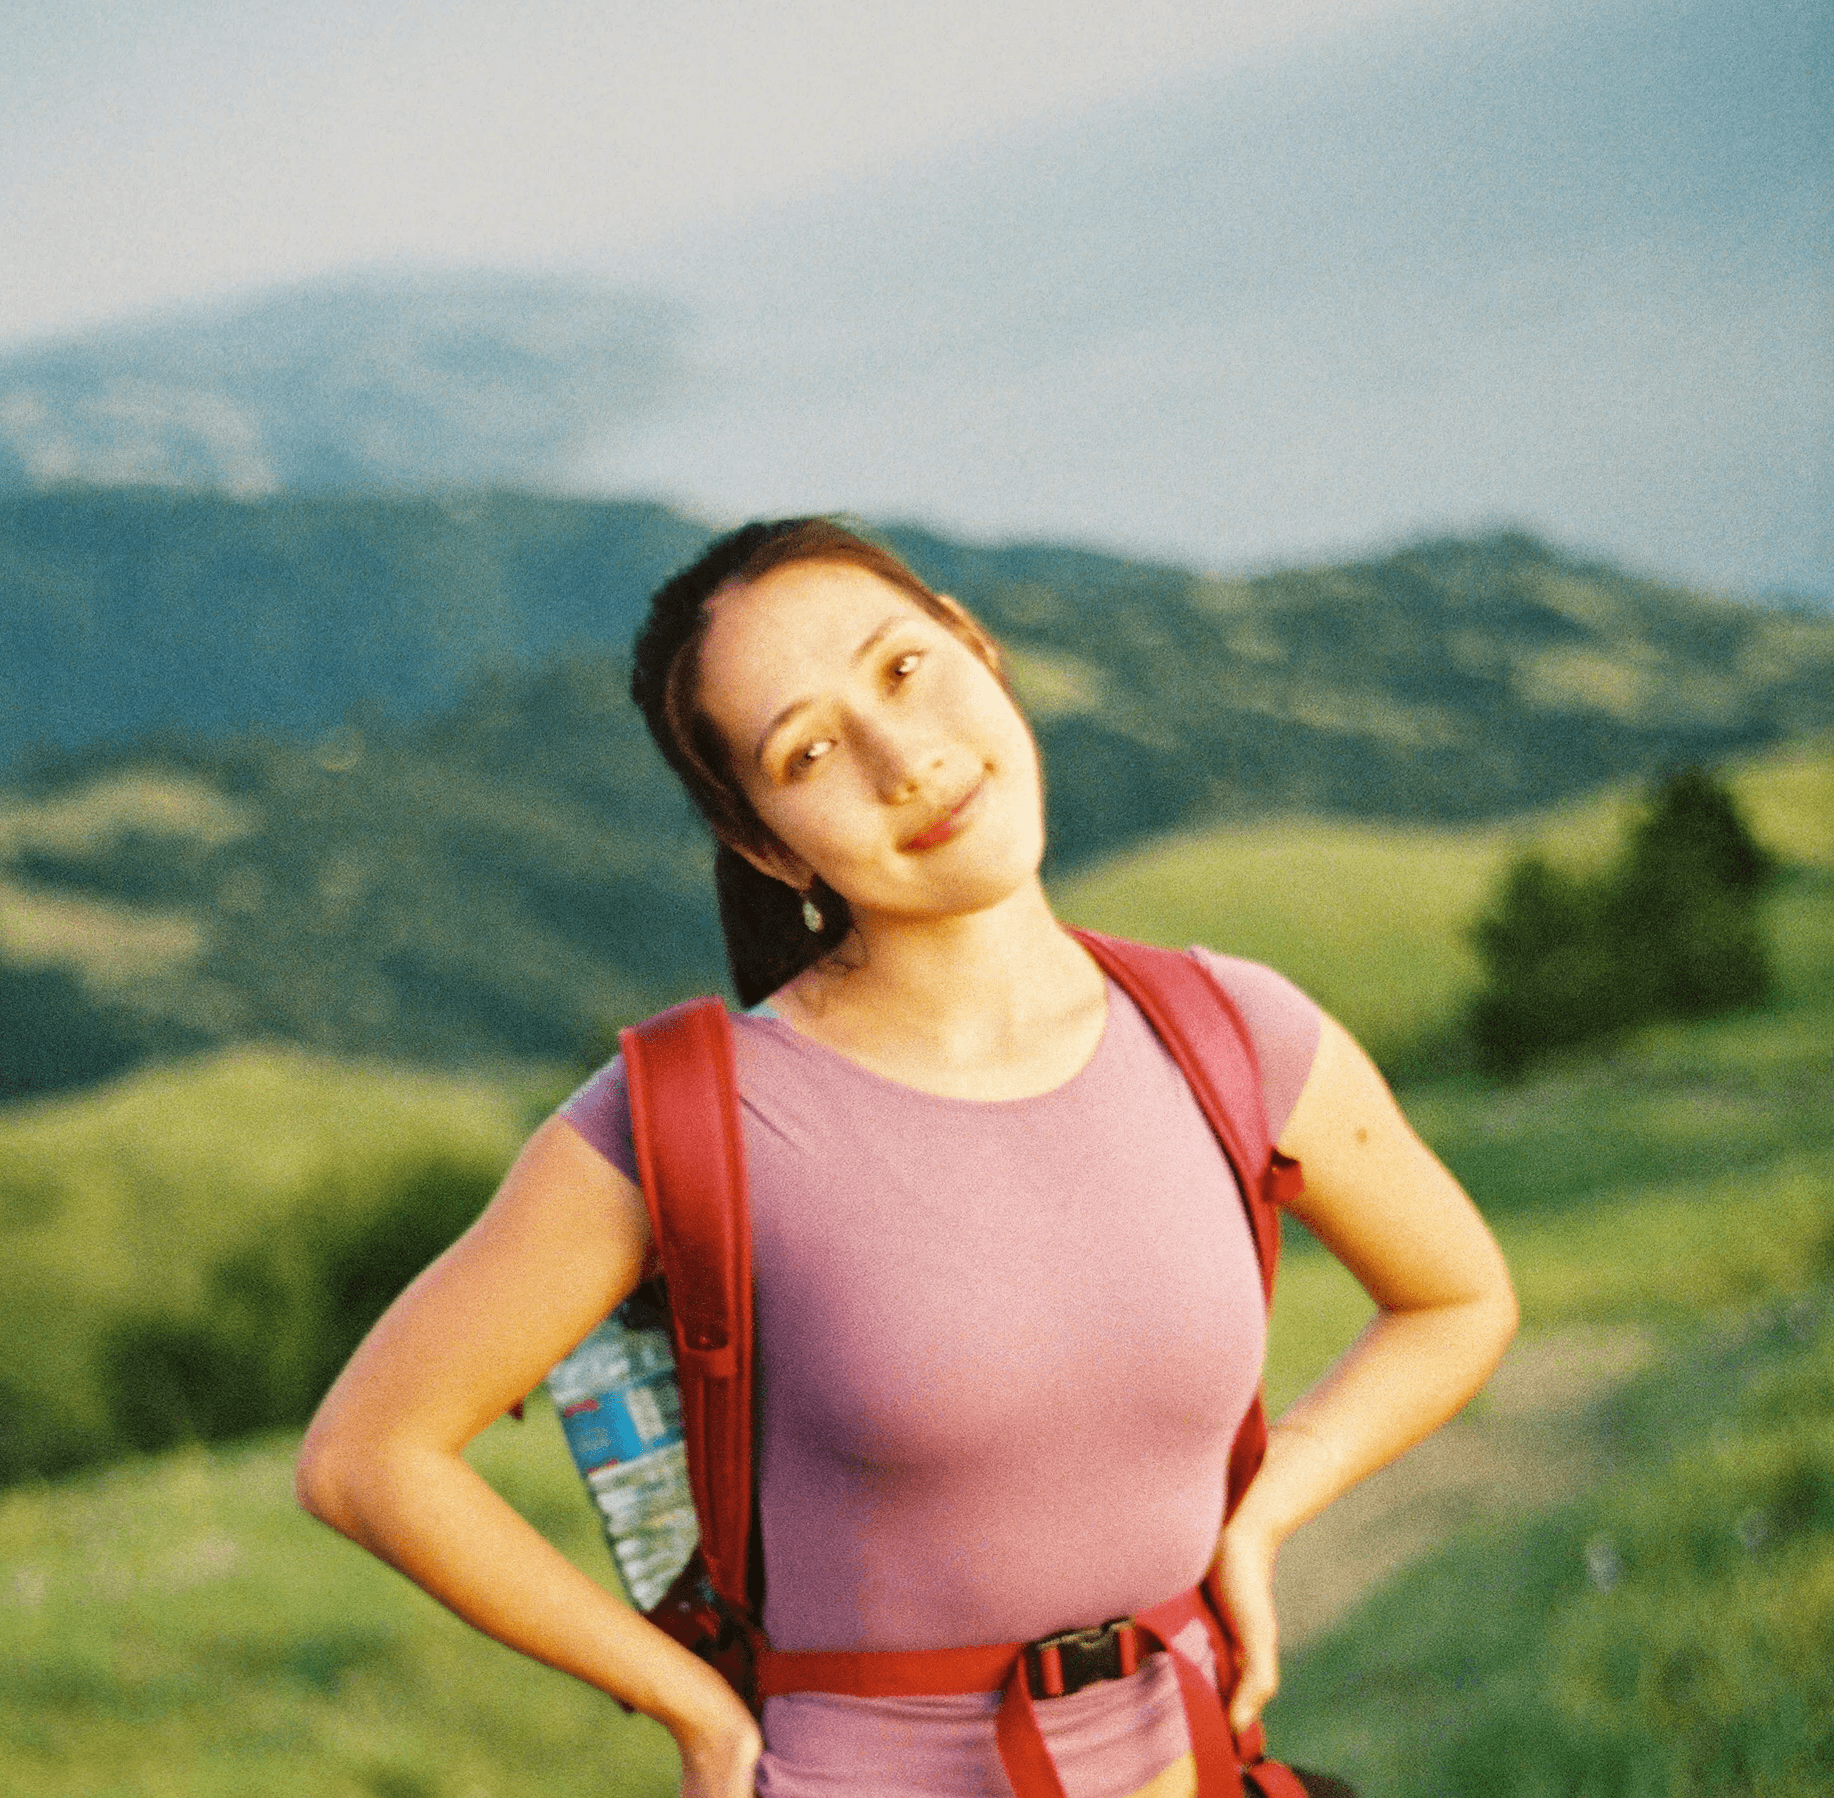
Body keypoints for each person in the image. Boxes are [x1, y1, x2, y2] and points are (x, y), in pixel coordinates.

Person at [296, 518, 1518, 1798]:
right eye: (809, 750)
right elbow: (367, 1456)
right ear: (767, 844)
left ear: (976, 647)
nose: (902, 757)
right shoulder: (689, 1117)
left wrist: (1261, 1512)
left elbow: (1456, 1296)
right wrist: (697, 1712)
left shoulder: (1229, 1031)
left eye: (902, 668)